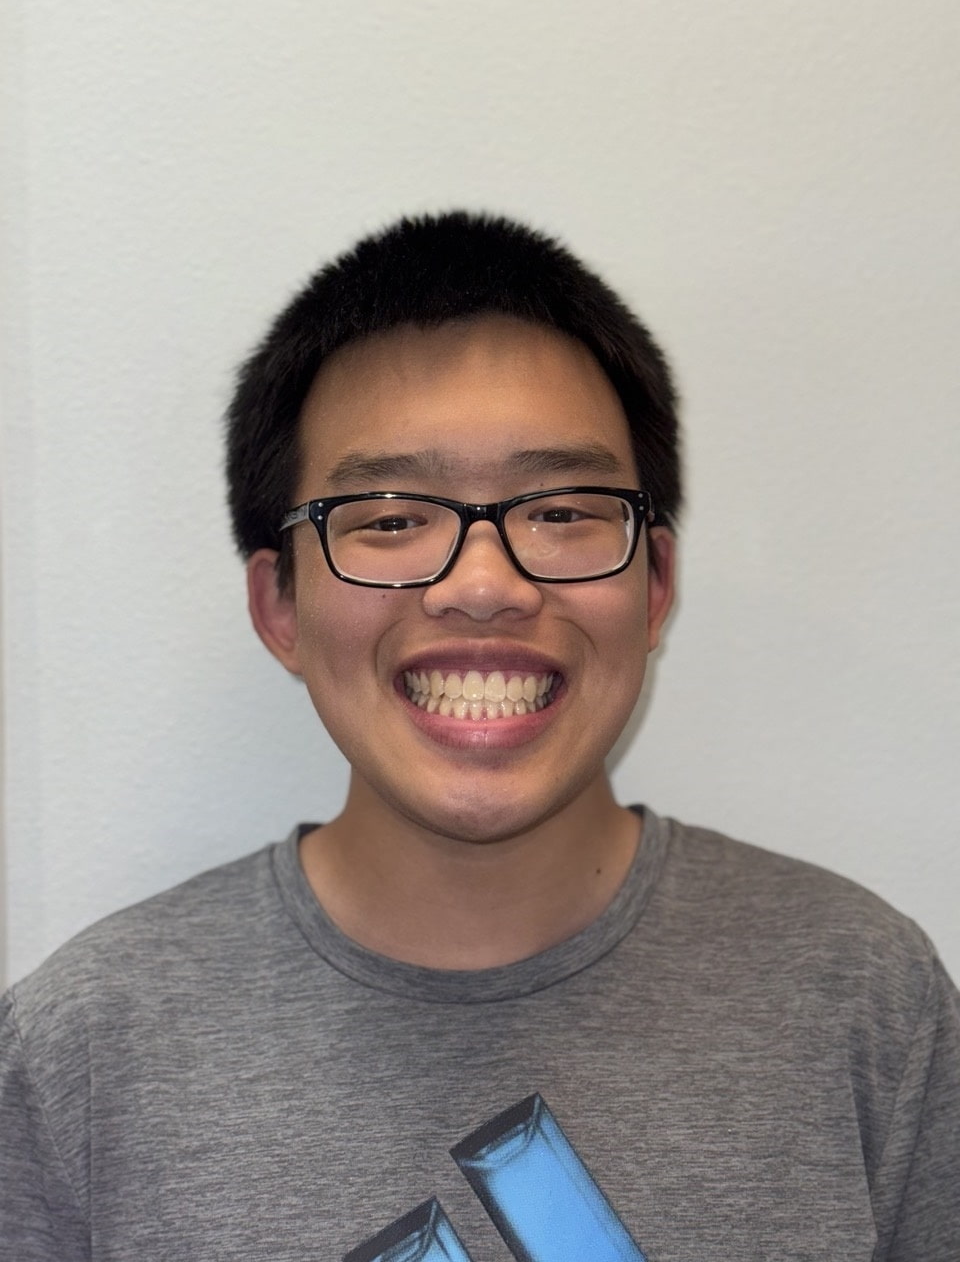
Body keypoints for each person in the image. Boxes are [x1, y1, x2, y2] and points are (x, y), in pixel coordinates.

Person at [1, 212, 957, 1261]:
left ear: (656, 587)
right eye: (390, 516)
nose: (485, 584)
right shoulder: (79, 1055)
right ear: (280, 605)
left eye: (562, 510)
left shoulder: (865, 1000)